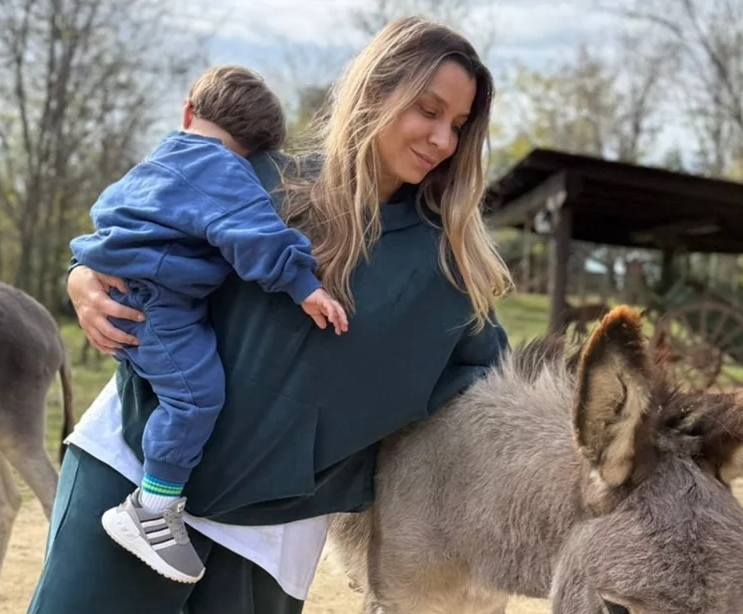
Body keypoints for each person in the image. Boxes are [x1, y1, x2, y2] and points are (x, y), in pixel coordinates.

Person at [28, 15, 512, 614]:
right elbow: (136, 225)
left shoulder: (452, 276)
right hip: (130, 472)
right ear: (376, 92)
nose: (443, 140)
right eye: (428, 110)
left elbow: (497, 398)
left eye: (459, 126)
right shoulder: (260, 180)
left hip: (270, 536)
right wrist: (81, 274)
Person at [67, 65, 349, 584]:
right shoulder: (220, 167)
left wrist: (80, 273)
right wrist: (303, 284)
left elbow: (108, 216)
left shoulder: (159, 159)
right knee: (196, 397)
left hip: (129, 291)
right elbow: (253, 231)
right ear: (257, 151)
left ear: (189, 111)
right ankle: (151, 506)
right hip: (158, 302)